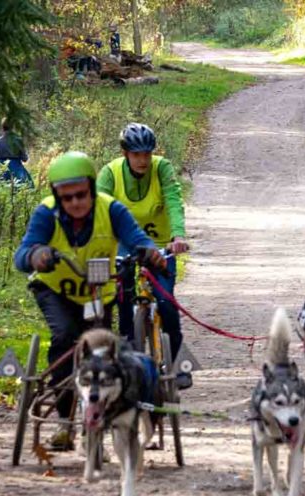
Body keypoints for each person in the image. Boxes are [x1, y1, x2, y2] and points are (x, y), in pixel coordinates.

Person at [14, 151, 166, 450]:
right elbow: (22, 254)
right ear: (57, 197)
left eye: (81, 195)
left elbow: (136, 237)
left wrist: (149, 251)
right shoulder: (46, 214)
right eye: (66, 198)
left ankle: (97, 421)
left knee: (99, 350)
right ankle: (63, 423)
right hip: (56, 291)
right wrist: (36, 255)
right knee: (66, 338)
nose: (75, 203)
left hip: (99, 292)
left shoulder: (111, 210)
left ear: (91, 188)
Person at [97, 122, 192, 390]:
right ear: (125, 153)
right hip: (123, 247)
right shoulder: (110, 173)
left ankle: (174, 363)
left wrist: (178, 236)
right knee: (122, 301)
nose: (143, 160)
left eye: (147, 154)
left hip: (160, 246)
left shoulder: (161, 168)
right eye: (137, 154)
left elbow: (173, 199)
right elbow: (99, 209)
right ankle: (128, 358)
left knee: (166, 302)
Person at [0, 119, 33, 188]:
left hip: (2, 169)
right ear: (12, 127)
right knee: (27, 187)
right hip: (17, 170)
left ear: (2, 128)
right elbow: (24, 159)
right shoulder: (18, 140)